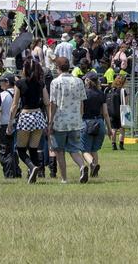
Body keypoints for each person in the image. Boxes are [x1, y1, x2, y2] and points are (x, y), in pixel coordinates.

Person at [7, 58, 50, 184]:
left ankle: (32, 167)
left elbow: (15, 105)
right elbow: (47, 103)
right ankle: (34, 174)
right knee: (33, 148)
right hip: (38, 116)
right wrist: (49, 121)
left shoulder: (20, 83)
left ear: (25, 69)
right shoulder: (40, 83)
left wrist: (10, 122)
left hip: (26, 116)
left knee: (20, 149)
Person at [48, 56, 89, 184]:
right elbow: (82, 102)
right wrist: (80, 116)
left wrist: (50, 122)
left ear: (58, 67)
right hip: (75, 120)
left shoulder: (55, 82)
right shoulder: (78, 81)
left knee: (59, 151)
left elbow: (53, 104)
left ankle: (64, 178)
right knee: (74, 149)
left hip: (60, 121)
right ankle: (82, 166)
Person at [81, 72, 113, 178]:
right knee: (94, 150)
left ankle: (93, 164)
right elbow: (105, 113)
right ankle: (95, 174)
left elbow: (81, 111)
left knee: (85, 150)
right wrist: (109, 129)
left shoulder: (84, 93)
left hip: (86, 122)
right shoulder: (101, 94)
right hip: (99, 123)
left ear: (87, 81)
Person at [0, 73, 21, 179]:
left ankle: (9, 174)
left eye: (2, 81)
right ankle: (17, 171)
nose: (0, 84)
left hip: (5, 125)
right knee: (15, 151)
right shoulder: (20, 93)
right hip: (18, 125)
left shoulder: (3, 95)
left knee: (5, 151)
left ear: (7, 82)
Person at [105, 75, 127, 150]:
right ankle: (121, 144)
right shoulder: (122, 90)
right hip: (120, 112)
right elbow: (126, 102)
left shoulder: (110, 90)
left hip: (111, 112)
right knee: (121, 129)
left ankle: (113, 144)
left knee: (113, 129)